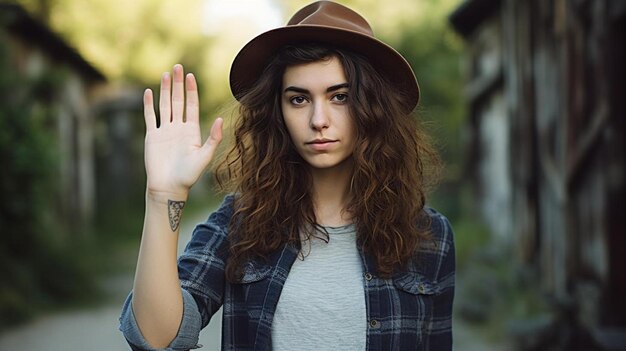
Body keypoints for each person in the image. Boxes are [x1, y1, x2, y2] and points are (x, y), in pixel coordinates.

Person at [119, 1, 455, 350]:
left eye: (339, 96)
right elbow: (157, 339)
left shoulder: (430, 237)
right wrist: (163, 196)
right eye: (298, 99)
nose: (318, 119)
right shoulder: (240, 224)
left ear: (373, 107)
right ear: (277, 112)